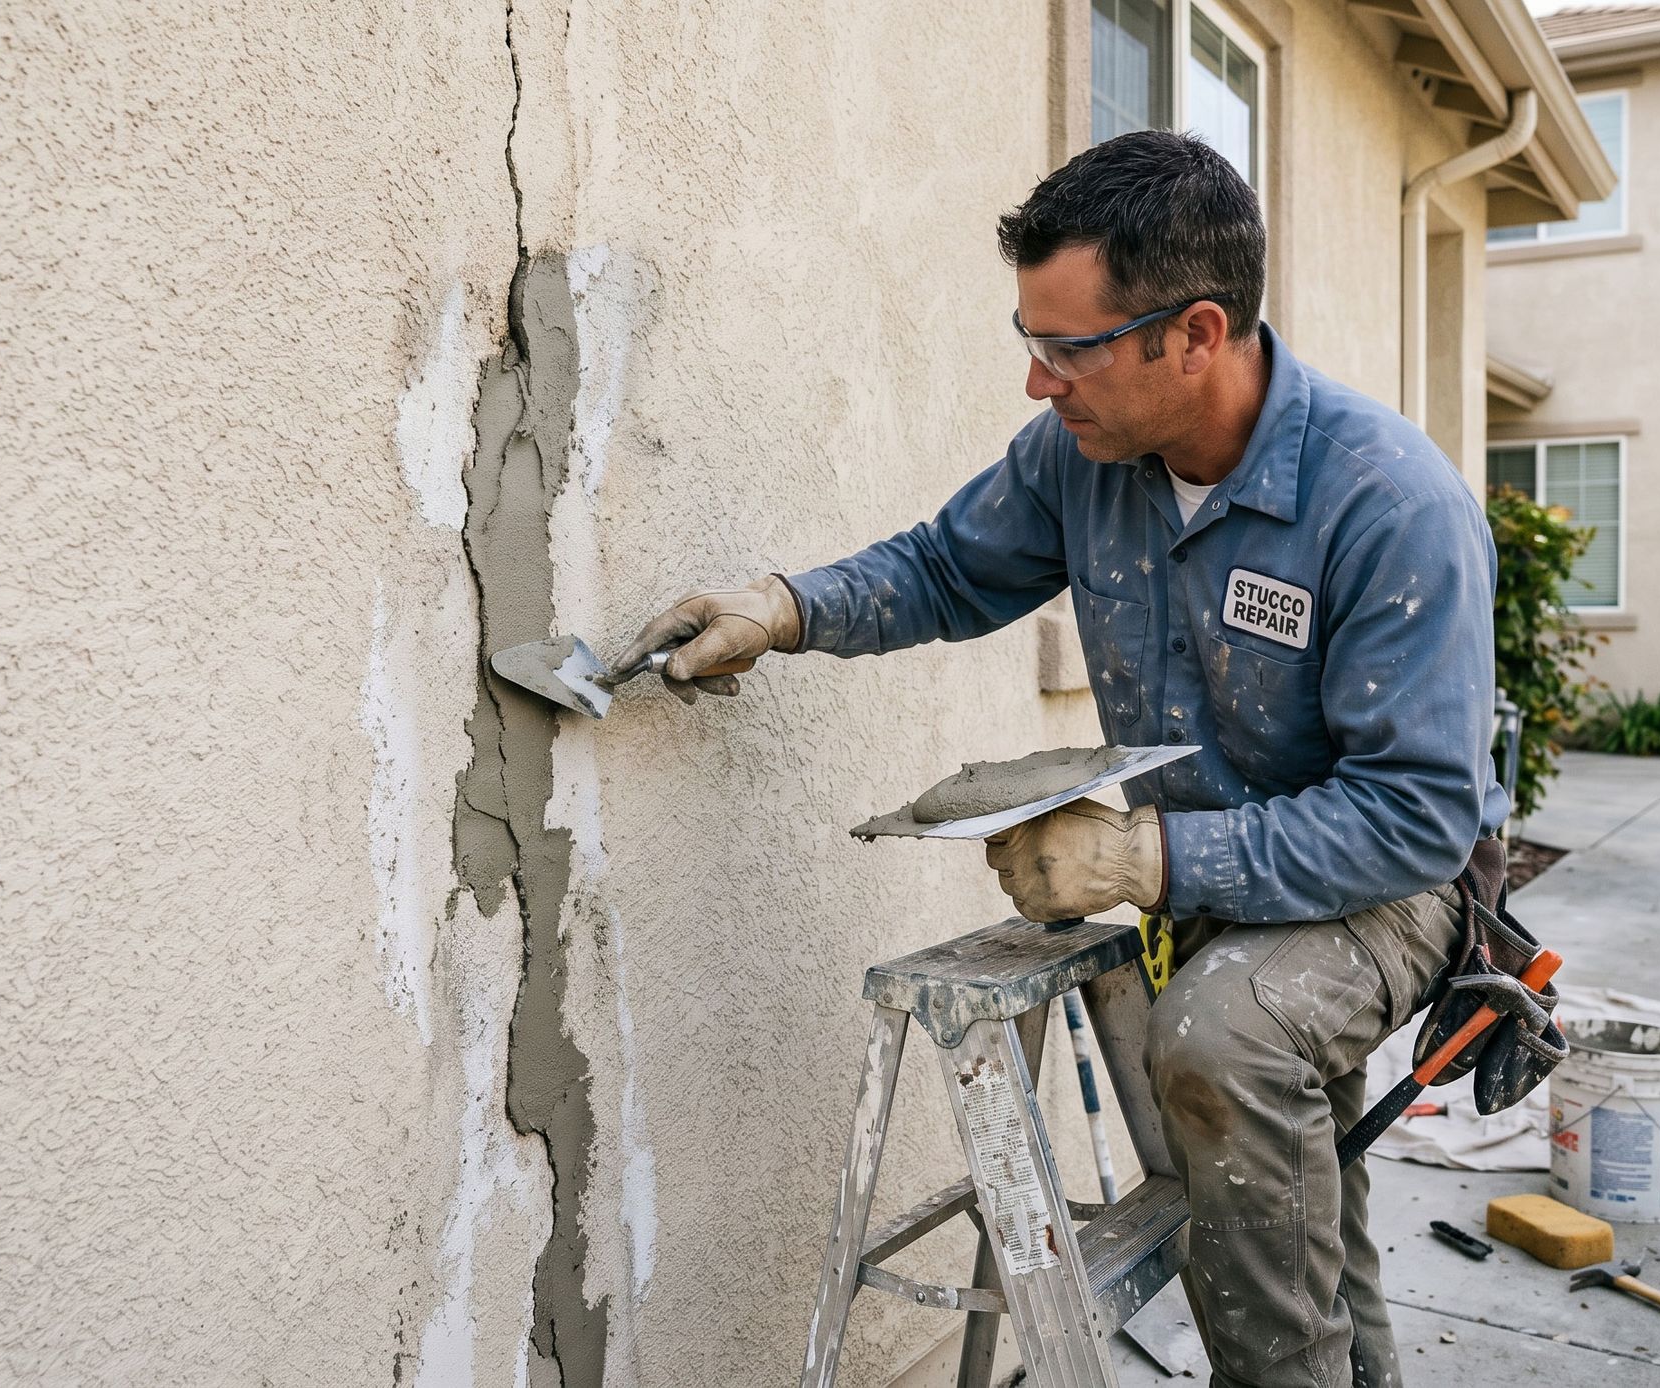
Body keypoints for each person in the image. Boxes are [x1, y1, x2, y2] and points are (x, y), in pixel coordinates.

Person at [620, 130, 1509, 1388]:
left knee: (1225, 1039)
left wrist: (1148, 855)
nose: (1040, 382)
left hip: (1393, 885)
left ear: (1195, 334)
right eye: (1029, 339)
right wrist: (785, 606)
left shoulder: (1388, 503)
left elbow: (1414, 815)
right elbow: (945, 567)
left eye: (1070, 349)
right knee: (1288, 1184)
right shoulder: (1083, 460)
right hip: (1209, 876)